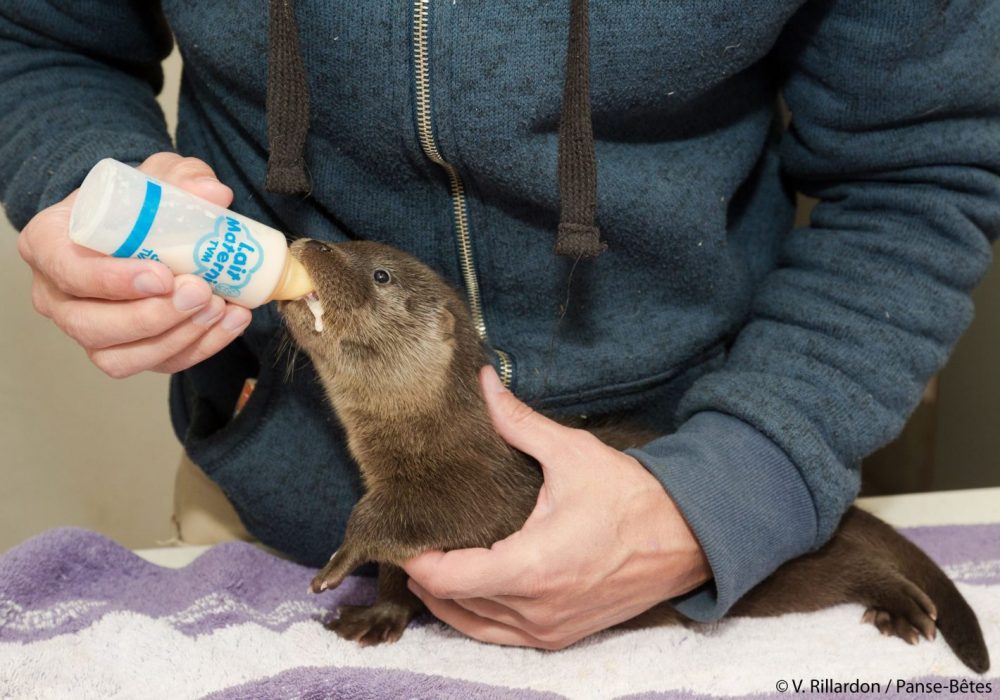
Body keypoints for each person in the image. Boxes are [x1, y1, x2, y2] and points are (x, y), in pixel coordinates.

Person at [2, 2, 997, 651]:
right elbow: (37, 37)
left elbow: (923, 161)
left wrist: (741, 476)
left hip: (724, 521)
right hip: (284, 517)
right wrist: (80, 173)